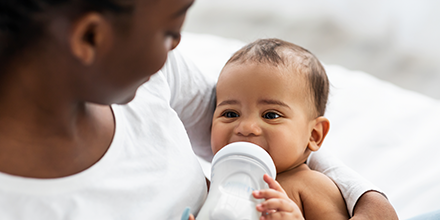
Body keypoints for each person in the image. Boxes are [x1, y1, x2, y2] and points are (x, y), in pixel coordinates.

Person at [0, 0, 397, 219]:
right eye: (169, 32)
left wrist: (366, 199)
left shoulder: (150, 78)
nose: (176, 49)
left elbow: (257, 132)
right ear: (91, 36)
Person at [208, 38, 346, 219]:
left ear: (314, 135)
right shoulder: (219, 182)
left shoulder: (312, 185)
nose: (246, 127)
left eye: (271, 115)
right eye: (231, 114)